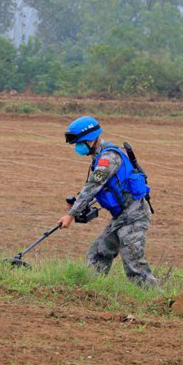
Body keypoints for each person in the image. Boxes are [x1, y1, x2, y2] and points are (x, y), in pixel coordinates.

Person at [58, 116, 158, 288]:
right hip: (122, 217)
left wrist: (71, 215)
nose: (77, 147)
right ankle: (91, 291)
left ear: (90, 139)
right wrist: (77, 203)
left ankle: (157, 304)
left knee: (134, 266)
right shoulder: (99, 156)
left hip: (134, 216)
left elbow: (94, 186)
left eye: (79, 143)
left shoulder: (108, 158)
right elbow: (102, 188)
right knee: (98, 252)